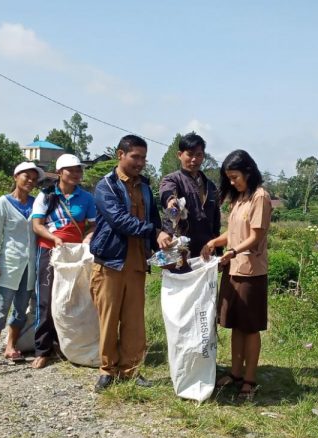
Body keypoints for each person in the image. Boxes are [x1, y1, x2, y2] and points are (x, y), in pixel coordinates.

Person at [89, 135, 171, 391]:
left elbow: (154, 222)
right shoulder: (106, 187)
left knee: (135, 321)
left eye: (144, 158)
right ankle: (107, 369)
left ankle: (130, 370)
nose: (140, 163)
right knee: (109, 319)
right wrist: (154, 232)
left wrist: (166, 245)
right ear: (120, 155)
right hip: (110, 263)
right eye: (135, 157)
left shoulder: (146, 187)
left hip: (136, 263)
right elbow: (119, 220)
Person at [201, 149, 271, 402]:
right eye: (229, 178)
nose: (232, 182)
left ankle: (249, 379)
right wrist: (213, 242)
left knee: (250, 328)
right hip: (233, 269)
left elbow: (255, 237)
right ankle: (235, 372)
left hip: (251, 272)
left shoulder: (260, 197)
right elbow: (233, 233)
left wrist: (231, 251)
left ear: (248, 172)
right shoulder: (239, 198)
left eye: (235, 177)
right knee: (234, 326)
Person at [31, 154, 97, 369]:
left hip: (74, 255)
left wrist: (88, 238)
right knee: (46, 299)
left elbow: (94, 225)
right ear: (60, 172)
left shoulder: (86, 198)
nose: (77, 174)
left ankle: (67, 344)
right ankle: (42, 349)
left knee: (70, 299)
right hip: (50, 251)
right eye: (72, 170)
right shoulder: (46, 196)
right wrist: (54, 238)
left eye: (80, 170)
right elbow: (37, 225)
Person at [0, 161, 44, 366]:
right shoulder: (2, 203)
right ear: (16, 177)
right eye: (27, 177)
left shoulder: (36, 203)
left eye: (34, 179)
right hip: (9, 263)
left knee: (21, 309)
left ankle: (10, 346)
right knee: (0, 309)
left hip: (30, 265)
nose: (31, 181)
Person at [159, 132, 221, 260]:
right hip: (180, 252)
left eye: (198, 155)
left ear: (203, 156)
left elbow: (216, 220)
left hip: (206, 252)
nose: (194, 159)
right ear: (180, 155)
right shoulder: (172, 179)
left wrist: (218, 250)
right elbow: (167, 193)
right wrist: (171, 202)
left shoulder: (210, 186)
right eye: (190, 154)